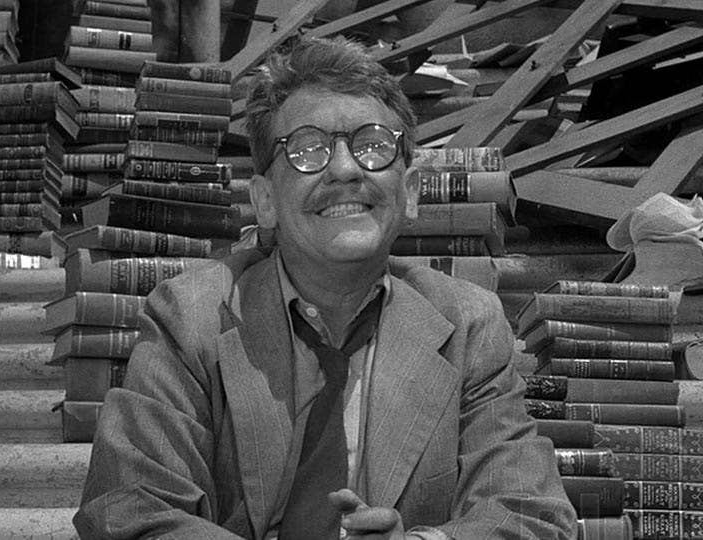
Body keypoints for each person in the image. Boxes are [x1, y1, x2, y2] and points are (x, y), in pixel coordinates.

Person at [74, 35, 576, 540]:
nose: (344, 169)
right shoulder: (191, 318)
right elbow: (129, 508)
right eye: (308, 149)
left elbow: (529, 513)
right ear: (265, 201)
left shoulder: (468, 325)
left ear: (410, 194)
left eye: (372, 146)